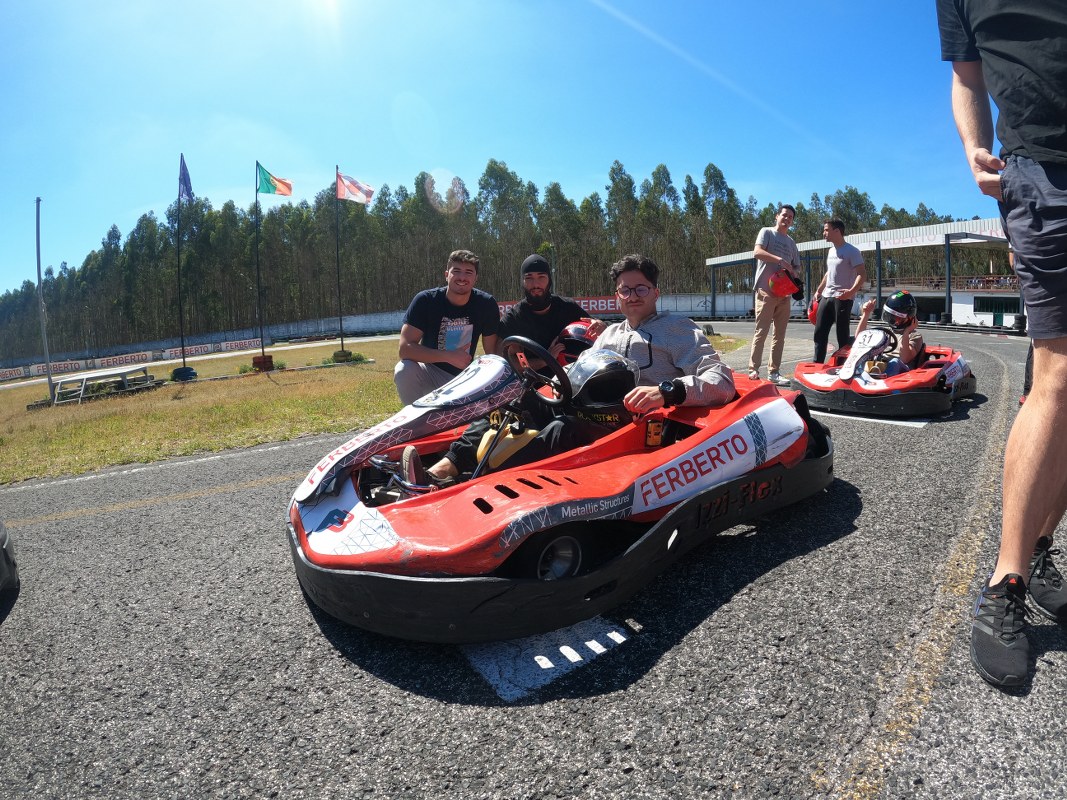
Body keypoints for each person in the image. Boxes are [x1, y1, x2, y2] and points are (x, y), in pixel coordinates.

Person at [938, 0, 1067, 688]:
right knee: (1058, 376)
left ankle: (1037, 546)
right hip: (1045, 172)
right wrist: (970, 147)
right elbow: (967, 70)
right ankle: (1005, 581)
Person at [404, 254, 735, 484]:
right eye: (625, 289)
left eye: (641, 288)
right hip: (593, 408)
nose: (632, 296)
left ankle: (478, 480)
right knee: (520, 401)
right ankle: (447, 465)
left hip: (637, 423)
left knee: (563, 429)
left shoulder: (677, 329)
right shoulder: (609, 334)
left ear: (655, 292)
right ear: (617, 296)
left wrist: (664, 392)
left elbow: (720, 380)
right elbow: (583, 372)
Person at [393, 249, 500, 405]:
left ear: (476, 278)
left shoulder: (486, 304)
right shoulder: (425, 300)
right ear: (446, 274)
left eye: (468, 272)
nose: (462, 277)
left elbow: (492, 353)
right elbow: (405, 349)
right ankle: (417, 423)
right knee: (404, 369)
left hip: (466, 376)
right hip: (431, 372)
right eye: (456, 271)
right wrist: (447, 356)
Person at [498, 253, 605, 367]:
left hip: (571, 379)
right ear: (522, 281)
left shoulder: (568, 307)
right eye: (529, 278)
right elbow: (504, 362)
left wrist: (602, 326)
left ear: (549, 279)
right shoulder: (513, 318)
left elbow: (599, 333)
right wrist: (545, 360)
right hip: (533, 382)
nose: (536, 284)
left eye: (541, 277)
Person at [747, 205, 802, 385]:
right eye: (784, 215)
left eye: (790, 217)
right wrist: (779, 260)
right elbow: (757, 252)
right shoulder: (767, 233)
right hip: (766, 290)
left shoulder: (791, 242)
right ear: (777, 216)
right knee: (761, 332)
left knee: (780, 335)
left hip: (784, 294)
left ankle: (774, 372)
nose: (787, 219)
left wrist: (794, 273)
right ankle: (753, 369)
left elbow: (796, 267)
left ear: (792, 221)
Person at [812, 220, 865, 363]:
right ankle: (817, 365)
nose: (824, 233)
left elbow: (862, 274)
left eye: (826, 230)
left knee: (842, 337)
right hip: (826, 296)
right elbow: (829, 273)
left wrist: (851, 292)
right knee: (819, 334)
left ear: (837, 231)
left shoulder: (852, 251)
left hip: (843, 298)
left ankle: (843, 367)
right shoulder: (831, 250)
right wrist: (819, 290)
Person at [853, 293, 924, 376]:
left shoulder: (915, 336)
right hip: (880, 364)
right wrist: (866, 313)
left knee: (895, 362)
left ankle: (878, 375)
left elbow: (905, 358)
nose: (893, 320)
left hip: (902, 372)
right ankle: (857, 374)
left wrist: (906, 332)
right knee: (864, 358)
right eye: (891, 316)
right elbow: (859, 338)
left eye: (897, 318)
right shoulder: (885, 332)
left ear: (909, 318)